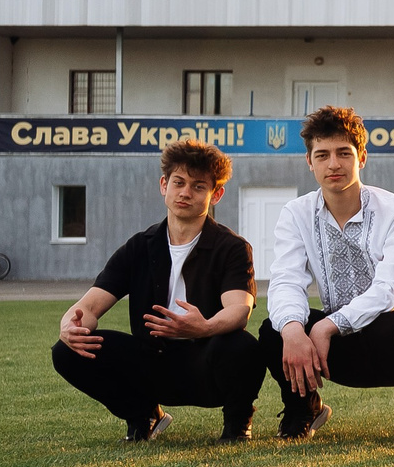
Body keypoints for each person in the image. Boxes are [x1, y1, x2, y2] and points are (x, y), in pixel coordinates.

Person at [52, 138, 265, 441]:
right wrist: (70, 325)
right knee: (67, 351)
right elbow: (89, 307)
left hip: (205, 362)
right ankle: (143, 415)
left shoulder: (232, 247)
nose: (185, 193)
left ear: (216, 194)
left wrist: (203, 327)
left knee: (243, 346)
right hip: (151, 359)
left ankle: (237, 424)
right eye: (178, 182)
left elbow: (238, 310)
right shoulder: (139, 246)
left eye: (198, 186)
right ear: (164, 185)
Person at [259, 105, 394, 440]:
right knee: (275, 329)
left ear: (362, 157)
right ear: (309, 162)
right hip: (337, 345)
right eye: (322, 155)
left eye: (344, 153)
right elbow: (286, 280)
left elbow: (389, 290)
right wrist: (295, 330)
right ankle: (304, 409)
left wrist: (328, 325)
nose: (334, 164)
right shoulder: (296, 214)